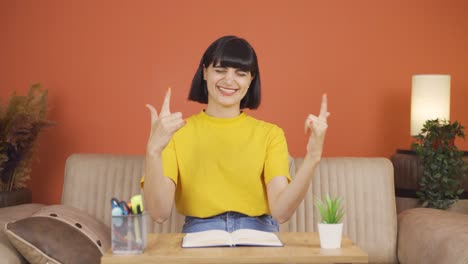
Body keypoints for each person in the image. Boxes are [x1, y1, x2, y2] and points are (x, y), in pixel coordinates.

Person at [142, 35, 329, 233]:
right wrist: (153, 149)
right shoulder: (176, 132)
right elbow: (159, 213)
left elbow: (281, 212)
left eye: (240, 73)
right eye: (220, 70)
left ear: (251, 79)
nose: (229, 80)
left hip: (259, 232)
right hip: (201, 233)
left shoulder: (270, 134)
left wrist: (313, 157)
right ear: (205, 72)